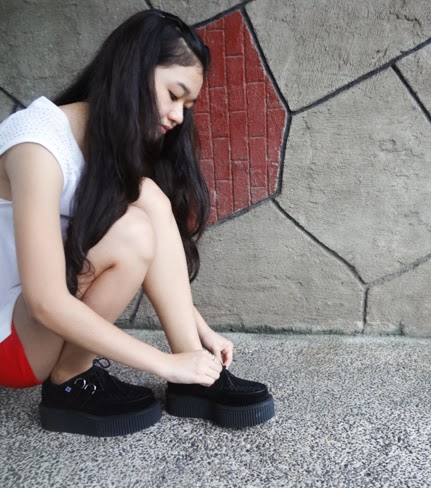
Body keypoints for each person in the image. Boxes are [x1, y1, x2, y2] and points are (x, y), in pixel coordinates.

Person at [0, 9, 274, 436]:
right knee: (131, 233)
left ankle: (197, 386)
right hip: (10, 341)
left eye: (187, 105)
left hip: (32, 325)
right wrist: (165, 364)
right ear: (134, 71)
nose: (179, 117)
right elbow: (46, 302)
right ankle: (70, 382)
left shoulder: (100, 146)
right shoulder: (37, 144)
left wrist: (199, 339)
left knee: (146, 197)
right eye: (174, 94)